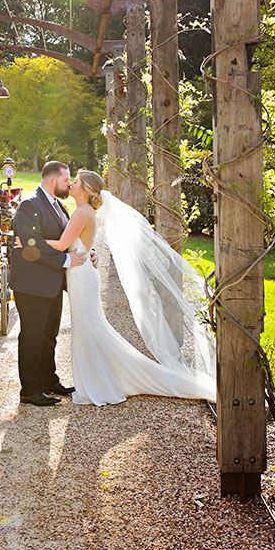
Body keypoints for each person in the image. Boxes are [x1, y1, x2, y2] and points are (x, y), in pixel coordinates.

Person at [46, 169, 217, 406]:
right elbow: (80, 245)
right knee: (88, 328)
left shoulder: (81, 213)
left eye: (76, 181)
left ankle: (101, 383)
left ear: (85, 190)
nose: (71, 183)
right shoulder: (86, 212)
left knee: (89, 328)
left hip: (82, 276)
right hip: (81, 273)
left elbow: (62, 244)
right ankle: (99, 378)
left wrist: (28, 241)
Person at [10, 161, 88, 406]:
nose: (69, 185)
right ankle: (30, 390)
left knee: (49, 335)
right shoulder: (30, 204)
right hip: (31, 284)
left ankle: (49, 380)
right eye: (67, 180)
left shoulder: (58, 205)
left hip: (52, 283)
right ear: (52, 180)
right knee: (32, 336)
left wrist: (86, 252)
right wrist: (66, 259)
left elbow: (62, 238)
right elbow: (31, 243)